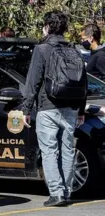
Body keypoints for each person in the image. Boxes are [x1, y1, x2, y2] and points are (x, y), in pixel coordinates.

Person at [19, 11, 87, 207]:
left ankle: (56, 193)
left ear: (47, 27)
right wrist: (80, 110)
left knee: (49, 151)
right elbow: (83, 82)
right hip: (71, 108)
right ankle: (66, 192)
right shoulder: (74, 50)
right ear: (65, 29)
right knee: (67, 150)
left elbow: (33, 82)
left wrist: (26, 109)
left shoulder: (41, 50)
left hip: (47, 107)